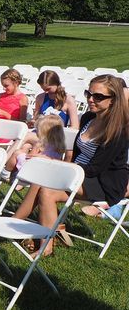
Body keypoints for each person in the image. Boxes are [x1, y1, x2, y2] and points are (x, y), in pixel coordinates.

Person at [13, 75, 129, 257]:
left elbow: (95, 169)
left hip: (103, 182)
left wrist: (58, 166)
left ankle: (43, 243)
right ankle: (16, 225)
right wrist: (62, 166)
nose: (90, 99)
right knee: (41, 181)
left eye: (98, 96)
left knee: (47, 191)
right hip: (79, 172)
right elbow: (77, 152)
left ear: (113, 100)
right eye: (88, 93)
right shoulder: (89, 117)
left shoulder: (118, 131)